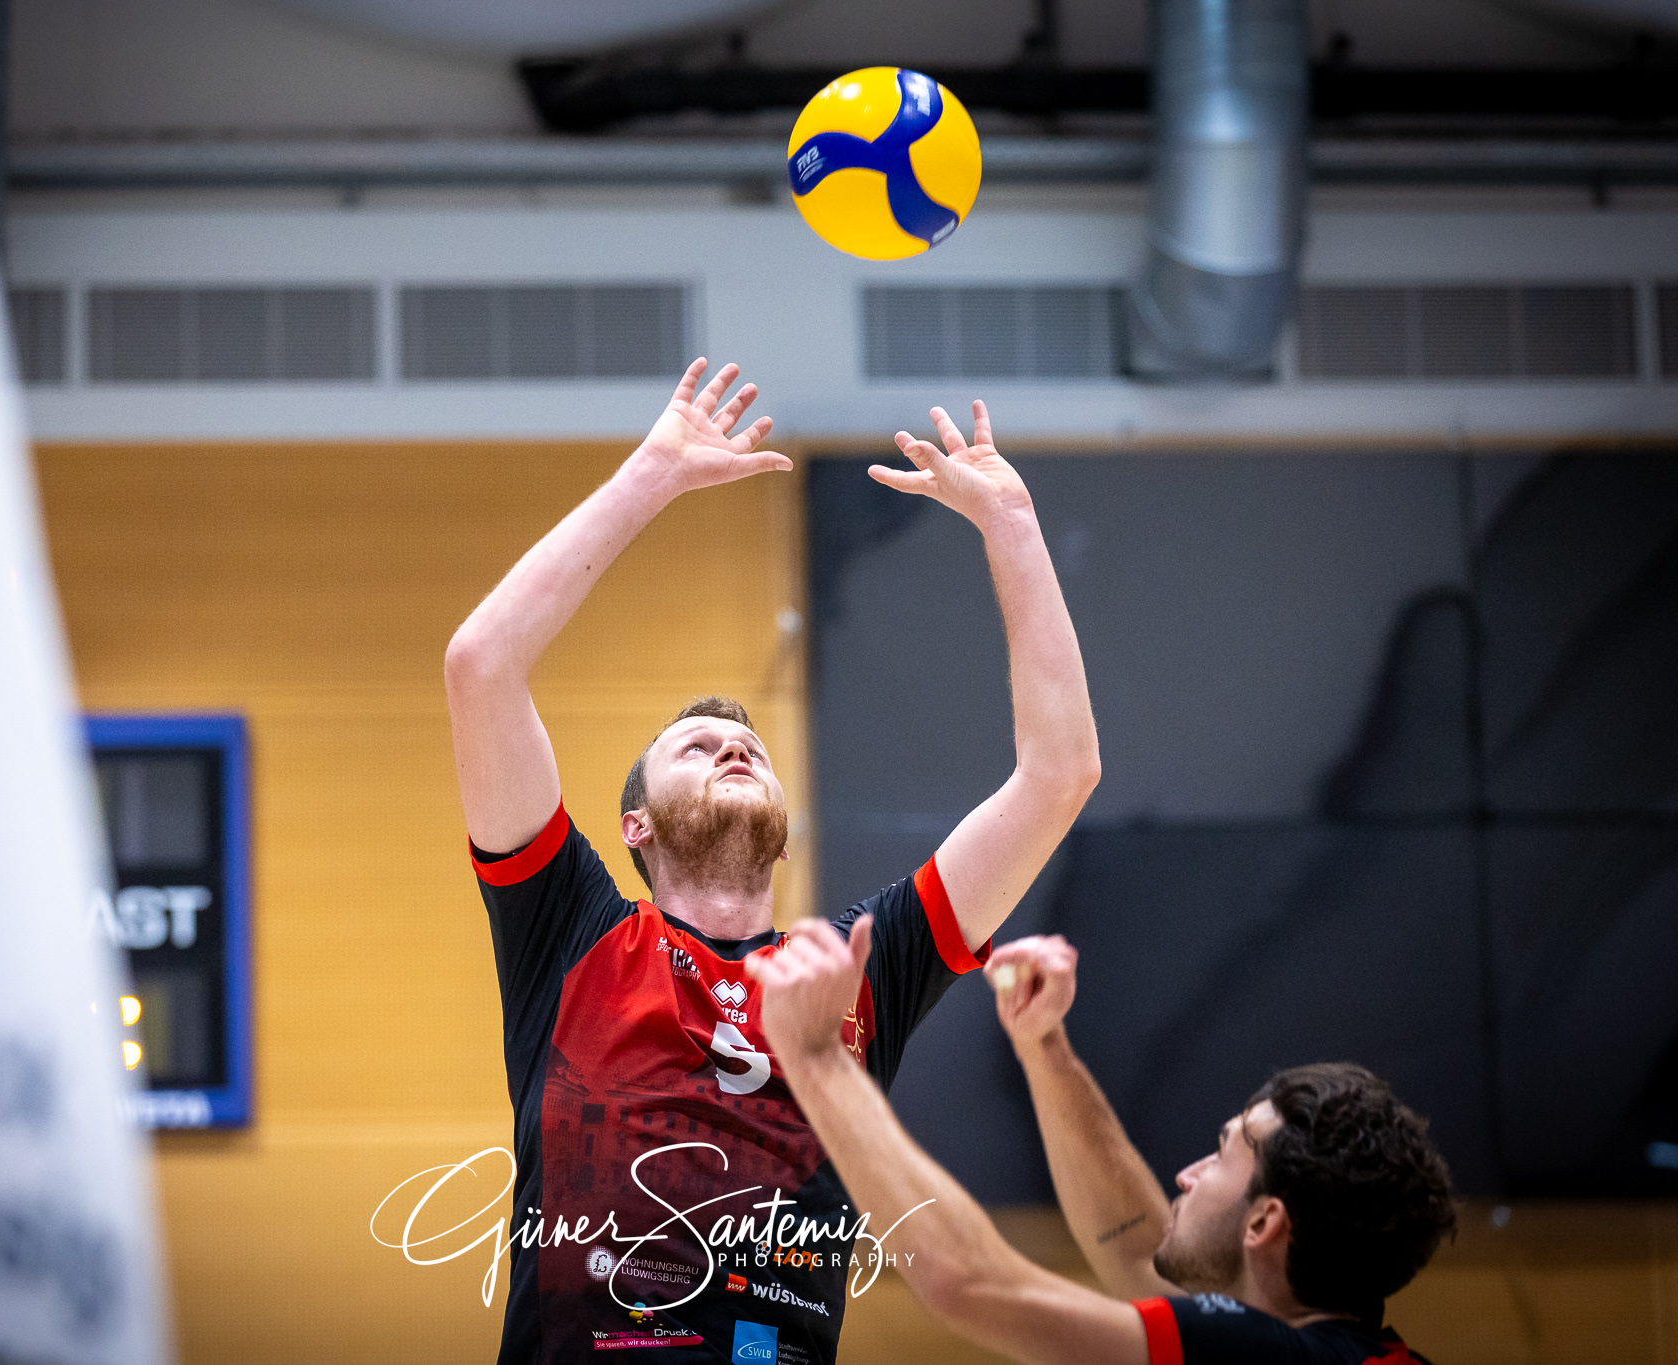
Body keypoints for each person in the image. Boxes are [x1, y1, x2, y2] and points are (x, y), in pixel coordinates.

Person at [443, 360, 1100, 1364]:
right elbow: (480, 666)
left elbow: (1059, 774)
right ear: (635, 827)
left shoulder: (861, 963)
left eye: (748, 747)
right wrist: (653, 475)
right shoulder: (569, 931)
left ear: (784, 833)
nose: (733, 749)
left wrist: (1010, 521)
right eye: (696, 747)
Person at [748, 924, 1460, 1364]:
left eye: (1222, 1154)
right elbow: (1140, 1252)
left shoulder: (1260, 1352)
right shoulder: (1336, 1346)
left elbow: (974, 1284)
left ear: (1265, 1221)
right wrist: (1043, 1044)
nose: (1188, 1174)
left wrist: (816, 1058)